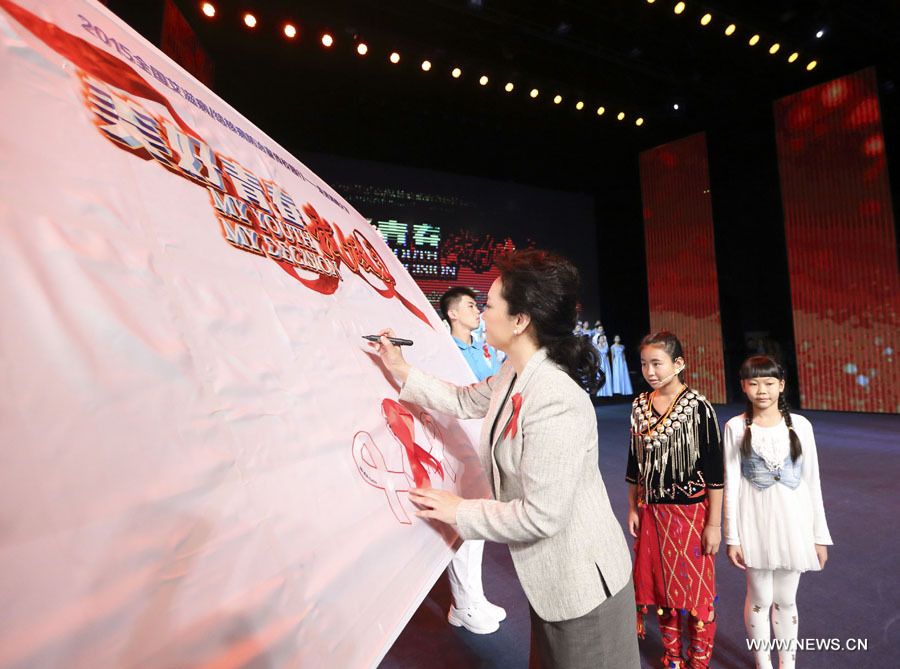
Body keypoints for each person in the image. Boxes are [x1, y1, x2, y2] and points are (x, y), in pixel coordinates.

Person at [372, 250, 639, 669]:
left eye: (489, 305)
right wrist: (400, 369)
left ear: (520, 321)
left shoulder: (555, 397)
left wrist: (459, 510)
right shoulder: (513, 373)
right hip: (550, 585)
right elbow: (463, 400)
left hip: (583, 588)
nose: (482, 313)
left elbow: (542, 515)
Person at [723, 356, 832, 669]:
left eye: (769, 383)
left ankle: (787, 664)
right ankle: (763, 664)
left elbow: (813, 482)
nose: (762, 390)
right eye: (754, 383)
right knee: (760, 598)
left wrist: (819, 536)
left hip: (793, 523)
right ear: (743, 386)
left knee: (786, 599)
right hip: (753, 523)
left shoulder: (801, 426)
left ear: (781, 385)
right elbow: (731, 484)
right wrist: (732, 537)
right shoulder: (735, 427)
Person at [626, 331, 723, 669]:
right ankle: (672, 659)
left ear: (678, 363)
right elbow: (634, 463)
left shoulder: (698, 408)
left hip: (691, 513)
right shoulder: (640, 406)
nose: (650, 371)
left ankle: (699, 661)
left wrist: (714, 524)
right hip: (652, 512)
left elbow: (715, 472)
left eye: (657, 363)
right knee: (662, 590)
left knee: (697, 594)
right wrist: (632, 507)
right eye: (644, 364)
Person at [434, 286, 506, 634]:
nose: (477, 311)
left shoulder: (482, 348)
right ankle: (462, 604)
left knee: (477, 519)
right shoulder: (445, 350)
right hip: (459, 442)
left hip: (484, 440)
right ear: (452, 314)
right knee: (463, 519)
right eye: (469, 306)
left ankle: (473, 597)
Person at [591, 325, 613, 398]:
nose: (602, 339)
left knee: (607, 375)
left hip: (606, 362)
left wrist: (609, 363)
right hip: (600, 362)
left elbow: (607, 355)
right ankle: (601, 392)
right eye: (601, 338)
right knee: (600, 376)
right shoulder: (596, 346)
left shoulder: (605, 346)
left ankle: (608, 392)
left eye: (603, 338)